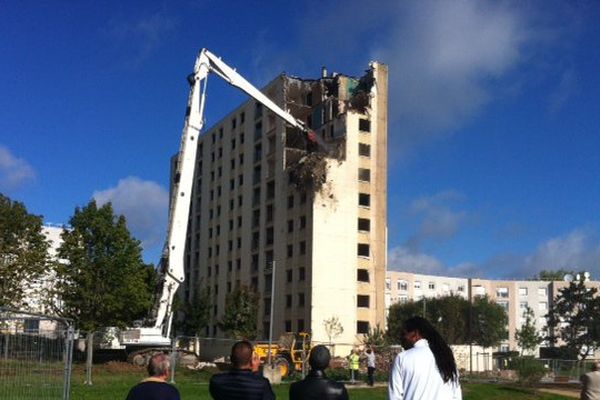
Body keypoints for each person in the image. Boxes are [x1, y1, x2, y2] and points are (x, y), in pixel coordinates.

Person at [388, 316, 462, 400]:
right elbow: (456, 395)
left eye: (403, 334)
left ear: (415, 334)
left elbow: (395, 397)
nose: (401, 338)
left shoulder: (402, 358)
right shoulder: (446, 356)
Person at [209, 340, 275, 400]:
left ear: (231, 358)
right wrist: (256, 372)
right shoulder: (262, 384)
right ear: (251, 360)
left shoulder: (216, 381)